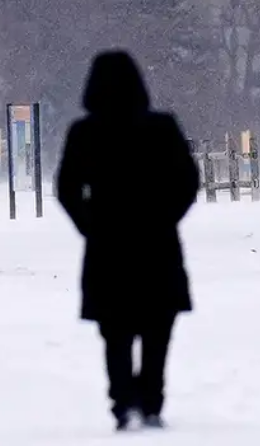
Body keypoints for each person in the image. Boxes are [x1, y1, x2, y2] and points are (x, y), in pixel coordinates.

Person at [55, 50, 200, 431]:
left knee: (115, 331)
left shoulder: (84, 133)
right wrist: (165, 216)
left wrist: (90, 224)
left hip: (108, 246)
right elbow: (187, 181)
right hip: (157, 245)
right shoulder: (162, 128)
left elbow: (67, 187)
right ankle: (151, 400)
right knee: (157, 328)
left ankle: (122, 402)